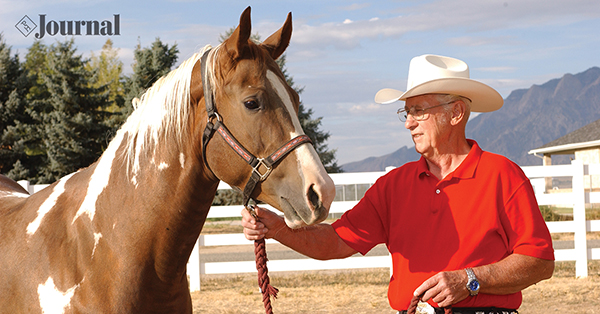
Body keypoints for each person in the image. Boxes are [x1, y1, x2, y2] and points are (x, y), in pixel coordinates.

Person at [241, 54, 555, 314]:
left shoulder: (502, 175)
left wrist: (471, 279)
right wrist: (278, 228)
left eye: (419, 111)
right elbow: (335, 242)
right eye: (407, 111)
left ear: (457, 113)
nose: (408, 122)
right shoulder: (393, 186)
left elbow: (539, 262)